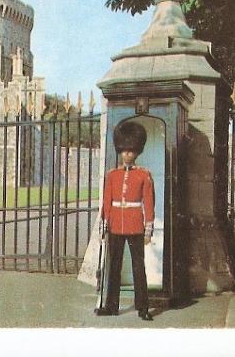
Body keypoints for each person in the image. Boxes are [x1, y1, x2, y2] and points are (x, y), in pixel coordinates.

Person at [95, 121, 155, 321]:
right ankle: (112, 306)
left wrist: (148, 229)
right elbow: (107, 201)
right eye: (124, 151)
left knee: (139, 267)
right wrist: (104, 224)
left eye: (131, 151)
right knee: (114, 267)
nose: (127, 154)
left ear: (137, 151)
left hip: (135, 225)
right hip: (115, 225)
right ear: (120, 151)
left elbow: (148, 203)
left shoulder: (144, 175)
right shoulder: (112, 175)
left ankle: (143, 307)